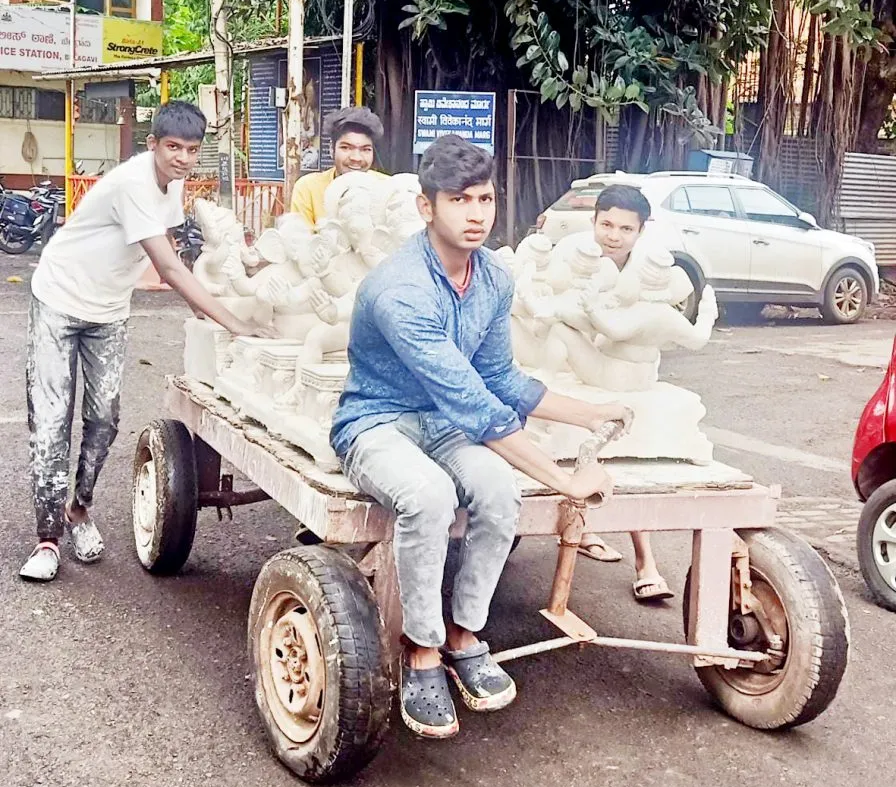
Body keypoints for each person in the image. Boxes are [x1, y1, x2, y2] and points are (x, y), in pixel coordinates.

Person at [330, 135, 633, 739]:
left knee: (499, 492)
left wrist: (590, 412)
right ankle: (421, 650)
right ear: (426, 208)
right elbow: (475, 405)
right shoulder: (400, 290)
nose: (475, 214)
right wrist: (567, 480)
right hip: (377, 422)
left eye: (486, 199)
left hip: (444, 424)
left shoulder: (493, 277)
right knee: (430, 496)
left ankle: (466, 635)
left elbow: (497, 377)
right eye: (459, 199)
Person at [21, 100, 272, 584]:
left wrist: (208, 305)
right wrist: (232, 323)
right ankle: (47, 539)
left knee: (103, 420)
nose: (181, 157)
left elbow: (173, 248)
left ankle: (78, 512)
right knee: (52, 423)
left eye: (191, 149)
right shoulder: (133, 184)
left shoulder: (171, 184)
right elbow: (169, 269)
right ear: (152, 144)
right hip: (58, 298)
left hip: (108, 309)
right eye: (171, 146)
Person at [554, 183, 674, 603]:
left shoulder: (653, 267)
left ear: (641, 231)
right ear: (594, 221)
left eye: (626, 228)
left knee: (630, 454)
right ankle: (582, 530)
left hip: (628, 371)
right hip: (575, 366)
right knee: (575, 450)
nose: (613, 235)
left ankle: (646, 560)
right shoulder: (573, 253)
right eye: (606, 224)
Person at [289, 106, 389, 227]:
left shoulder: (388, 189)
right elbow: (300, 240)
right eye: (346, 148)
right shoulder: (308, 188)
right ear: (331, 149)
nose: (356, 158)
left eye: (365, 149)